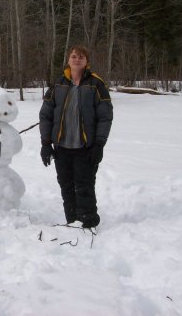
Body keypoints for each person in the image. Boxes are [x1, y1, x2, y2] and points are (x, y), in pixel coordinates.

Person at [39, 45, 113, 228]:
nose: (77, 59)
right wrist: (46, 143)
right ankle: (72, 221)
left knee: (84, 185)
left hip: (85, 147)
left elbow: (105, 116)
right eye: (73, 56)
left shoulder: (96, 84)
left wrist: (99, 145)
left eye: (81, 57)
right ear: (68, 60)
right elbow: (46, 114)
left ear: (86, 61)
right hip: (62, 147)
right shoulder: (59, 84)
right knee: (66, 185)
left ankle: (88, 222)